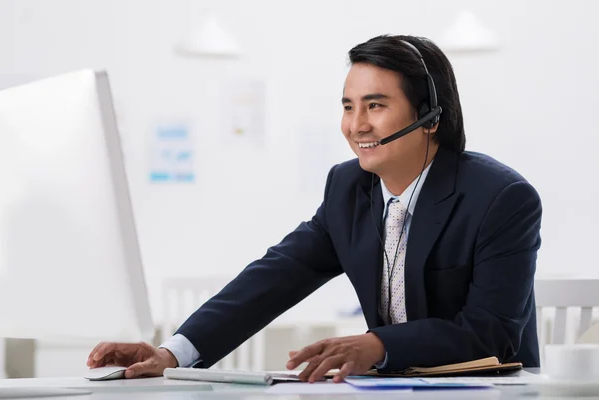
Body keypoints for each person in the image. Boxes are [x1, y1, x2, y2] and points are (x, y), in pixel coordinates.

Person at [87, 34, 542, 383]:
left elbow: (490, 335)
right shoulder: (348, 188)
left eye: (376, 105)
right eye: (348, 106)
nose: (356, 125)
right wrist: (172, 353)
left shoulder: (501, 198)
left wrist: (376, 345)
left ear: (431, 117)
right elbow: (273, 278)